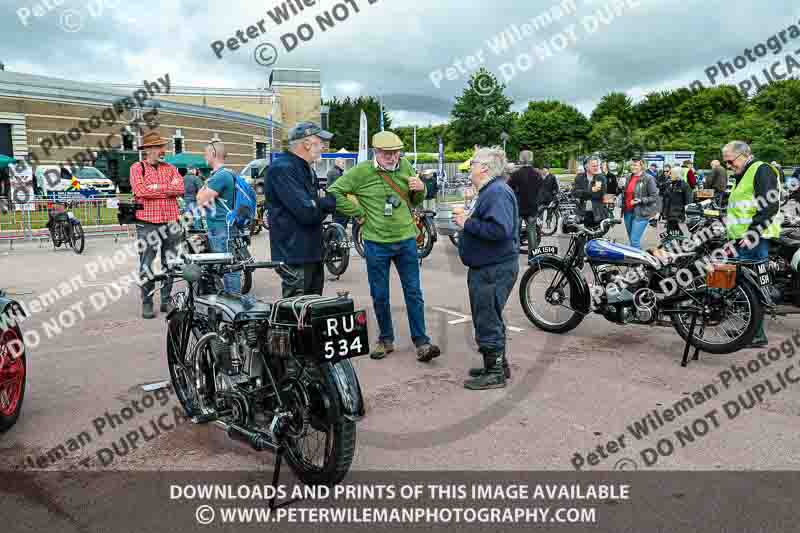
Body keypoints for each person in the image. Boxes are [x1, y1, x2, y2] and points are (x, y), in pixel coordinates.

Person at [328, 130, 441, 363]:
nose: (393, 157)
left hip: (406, 240)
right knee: (380, 294)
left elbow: (414, 200)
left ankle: (422, 342)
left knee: (414, 292)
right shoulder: (361, 171)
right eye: (387, 153)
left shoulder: (405, 166)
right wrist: (358, 213)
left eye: (396, 153)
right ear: (375, 152)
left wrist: (420, 189)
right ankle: (386, 339)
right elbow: (334, 191)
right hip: (376, 243)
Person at [453, 146, 519, 390]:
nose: (469, 167)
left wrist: (466, 223)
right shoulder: (493, 190)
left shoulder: (497, 192)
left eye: (472, 163)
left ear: (483, 168)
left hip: (493, 267)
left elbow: (500, 230)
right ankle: (498, 365)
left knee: (487, 319)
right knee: (490, 317)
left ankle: (495, 373)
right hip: (491, 265)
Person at [265, 122, 337, 297]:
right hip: (294, 255)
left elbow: (321, 203)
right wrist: (323, 203)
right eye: (320, 142)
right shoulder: (283, 168)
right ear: (306, 144)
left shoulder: (305, 169)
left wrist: (319, 203)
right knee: (297, 310)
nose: (323, 147)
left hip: (311, 252)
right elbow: (307, 213)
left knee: (313, 307)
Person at [724, 140, 782, 348]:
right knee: (746, 286)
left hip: (755, 238)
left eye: (730, 161)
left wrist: (752, 233)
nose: (728, 166)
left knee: (752, 287)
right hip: (744, 238)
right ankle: (751, 331)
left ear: (743, 155)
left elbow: (770, 205)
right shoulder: (744, 173)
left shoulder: (761, 170)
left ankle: (755, 335)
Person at [129, 132, 184, 319]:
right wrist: (167, 190)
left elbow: (180, 188)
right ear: (148, 149)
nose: (163, 150)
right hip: (147, 223)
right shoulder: (137, 168)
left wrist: (155, 188)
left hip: (171, 221)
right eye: (159, 147)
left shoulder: (171, 168)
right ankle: (147, 302)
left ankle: (166, 300)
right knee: (146, 264)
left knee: (170, 262)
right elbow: (140, 190)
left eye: (163, 147)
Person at [195, 141, 243, 295]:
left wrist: (203, 188)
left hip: (222, 227)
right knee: (228, 266)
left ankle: (233, 301)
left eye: (206, 153)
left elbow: (201, 200)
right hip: (224, 226)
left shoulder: (220, 176)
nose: (204, 156)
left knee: (229, 268)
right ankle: (231, 299)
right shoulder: (226, 173)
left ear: (214, 154)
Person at [508, 150, 542, 253]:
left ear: (520, 159)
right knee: (532, 233)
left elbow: (509, 188)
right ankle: (533, 257)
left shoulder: (516, 174)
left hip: (518, 207)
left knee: (515, 233)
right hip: (532, 207)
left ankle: (514, 254)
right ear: (531, 159)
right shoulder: (537, 174)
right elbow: (541, 190)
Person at [622, 158, 658, 249]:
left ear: (642, 166)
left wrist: (640, 200)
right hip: (627, 212)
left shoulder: (648, 178)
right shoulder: (628, 177)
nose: (632, 167)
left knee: (634, 240)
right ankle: (637, 254)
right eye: (631, 165)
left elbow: (654, 197)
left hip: (641, 213)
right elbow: (625, 193)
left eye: (635, 165)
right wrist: (620, 188)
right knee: (632, 239)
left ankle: (637, 258)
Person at [574, 156, 608, 228]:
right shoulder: (579, 177)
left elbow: (600, 194)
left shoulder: (601, 178)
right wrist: (591, 190)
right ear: (586, 167)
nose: (596, 168)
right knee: (582, 233)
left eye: (597, 166)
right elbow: (575, 193)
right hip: (582, 212)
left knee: (597, 234)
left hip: (597, 213)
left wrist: (584, 193)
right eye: (593, 166)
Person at [662, 166, 693, 236]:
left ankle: (679, 240)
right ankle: (680, 240)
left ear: (677, 175)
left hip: (677, 212)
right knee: (673, 230)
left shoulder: (685, 185)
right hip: (669, 211)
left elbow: (689, 200)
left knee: (671, 229)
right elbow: (665, 197)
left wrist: (687, 214)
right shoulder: (670, 184)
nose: (670, 175)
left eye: (672, 173)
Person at [327, 157, 349, 229]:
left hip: (334, 199)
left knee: (337, 219)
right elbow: (340, 187)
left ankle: (335, 233)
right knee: (340, 219)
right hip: (337, 200)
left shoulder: (336, 171)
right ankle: (337, 234)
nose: (344, 165)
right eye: (343, 163)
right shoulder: (336, 173)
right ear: (337, 163)